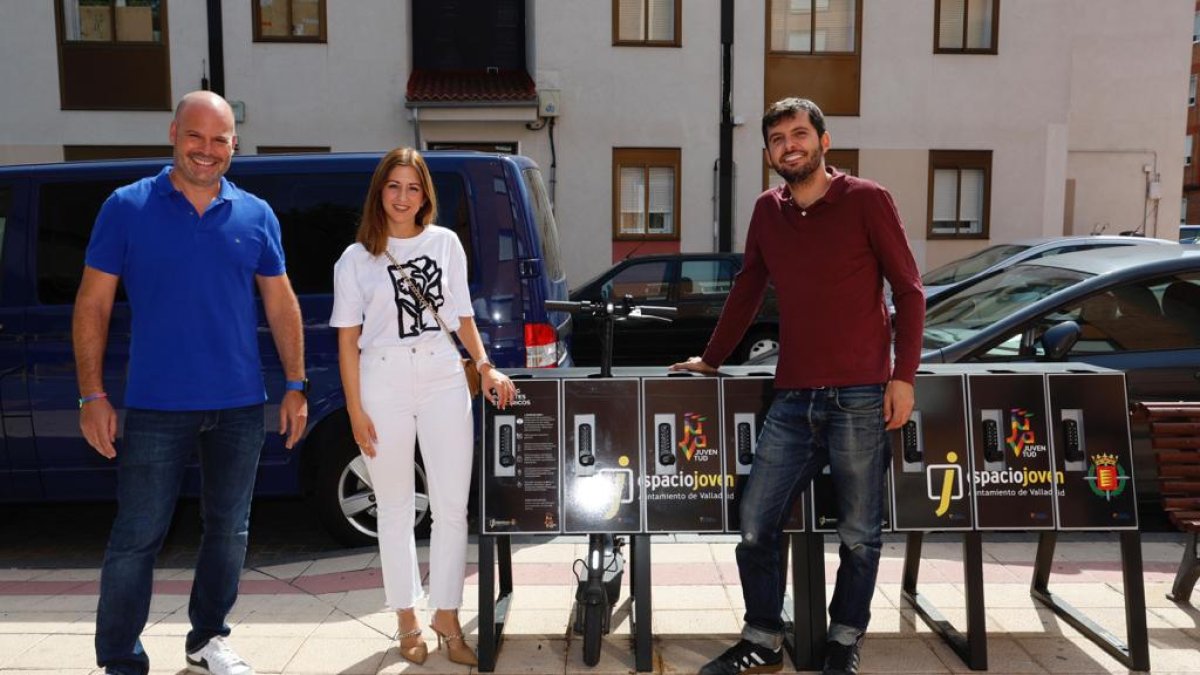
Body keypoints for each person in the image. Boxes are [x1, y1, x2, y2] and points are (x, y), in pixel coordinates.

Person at [673, 98, 923, 675]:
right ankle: (763, 639)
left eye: (801, 133)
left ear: (824, 141)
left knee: (860, 533)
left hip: (861, 395)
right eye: (779, 138)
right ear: (768, 154)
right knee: (756, 522)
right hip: (792, 397)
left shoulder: (867, 199)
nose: (791, 144)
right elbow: (747, 288)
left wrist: (902, 376)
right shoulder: (767, 210)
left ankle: (842, 640)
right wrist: (711, 360)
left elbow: (909, 291)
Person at [74, 91, 307, 675]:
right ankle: (121, 658)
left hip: (237, 406)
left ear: (234, 145)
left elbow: (281, 306)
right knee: (136, 537)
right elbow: (93, 304)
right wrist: (91, 394)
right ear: (174, 133)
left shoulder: (257, 215)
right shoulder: (126, 207)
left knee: (229, 531)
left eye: (219, 140)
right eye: (195, 137)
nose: (207, 150)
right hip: (155, 406)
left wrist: (297, 383)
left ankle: (207, 640)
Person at [329, 147, 516, 667]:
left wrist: (483, 363)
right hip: (381, 378)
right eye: (394, 186)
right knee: (393, 507)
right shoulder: (355, 258)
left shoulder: (445, 243)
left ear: (425, 194)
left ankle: (447, 614)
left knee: (453, 506)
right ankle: (406, 616)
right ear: (379, 192)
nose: (403, 197)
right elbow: (347, 341)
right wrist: (353, 409)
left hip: (440, 374)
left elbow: (459, 314)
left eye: (413, 187)